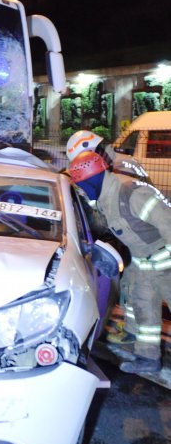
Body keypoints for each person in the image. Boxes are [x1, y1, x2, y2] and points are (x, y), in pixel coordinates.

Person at [69, 149, 171, 375]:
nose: (83, 191)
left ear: (92, 180)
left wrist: (162, 258)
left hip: (165, 262)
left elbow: (168, 224)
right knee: (145, 311)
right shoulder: (105, 198)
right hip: (144, 262)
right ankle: (147, 359)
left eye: (83, 185)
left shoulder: (131, 194)